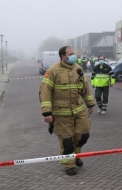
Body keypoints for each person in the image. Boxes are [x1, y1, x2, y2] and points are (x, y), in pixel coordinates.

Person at [40, 46, 95, 175]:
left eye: (73, 54)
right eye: (70, 54)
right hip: (62, 114)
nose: (73, 56)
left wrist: (90, 104)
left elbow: (85, 88)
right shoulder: (53, 71)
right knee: (67, 141)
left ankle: (75, 156)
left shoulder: (78, 69)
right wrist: (47, 112)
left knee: (83, 135)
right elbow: (45, 92)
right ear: (62, 56)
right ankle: (68, 164)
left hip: (79, 110)